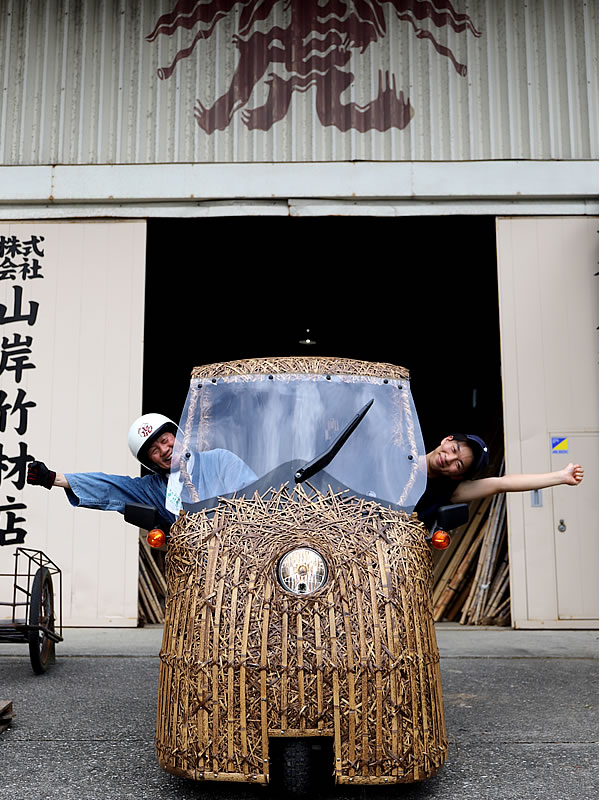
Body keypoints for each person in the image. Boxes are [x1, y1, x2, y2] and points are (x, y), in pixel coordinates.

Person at [26, 412, 257, 526]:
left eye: (166, 440)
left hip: (239, 555)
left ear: (177, 435)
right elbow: (111, 486)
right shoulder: (154, 489)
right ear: (151, 462)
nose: (165, 449)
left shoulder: (220, 460)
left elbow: (258, 496)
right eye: (155, 450)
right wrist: (52, 478)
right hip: (196, 572)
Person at [415, 433, 584, 527]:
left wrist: (561, 476)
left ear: (457, 476)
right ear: (447, 439)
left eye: (458, 465)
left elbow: (502, 483)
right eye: (454, 449)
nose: (449, 458)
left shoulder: (448, 491)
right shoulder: (404, 446)